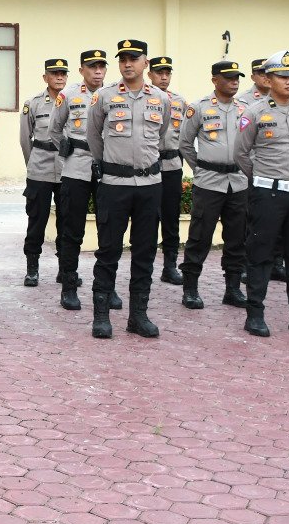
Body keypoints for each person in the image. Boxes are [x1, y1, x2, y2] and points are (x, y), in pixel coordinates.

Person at [234, 50, 289, 337]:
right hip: (267, 195)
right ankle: (255, 315)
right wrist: (263, 177)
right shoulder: (255, 112)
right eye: (282, 77)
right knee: (260, 255)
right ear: (269, 79)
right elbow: (241, 153)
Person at [85, 39, 169, 339]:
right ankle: (101, 315)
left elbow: (161, 134)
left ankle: (138, 316)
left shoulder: (161, 98)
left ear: (145, 62)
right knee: (108, 251)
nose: (127, 64)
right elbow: (94, 136)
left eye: (134, 58)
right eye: (123, 59)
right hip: (114, 185)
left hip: (149, 186)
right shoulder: (104, 97)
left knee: (145, 252)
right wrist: (109, 164)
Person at [175, 60, 249, 311]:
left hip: (238, 182)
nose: (234, 81)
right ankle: (191, 289)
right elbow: (185, 144)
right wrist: (201, 168)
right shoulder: (199, 108)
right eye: (228, 77)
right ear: (215, 80)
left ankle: (233, 289)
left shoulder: (247, 109)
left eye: (237, 77)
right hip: (209, 183)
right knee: (199, 236)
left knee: (237, 237)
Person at [53, 48, 112, 312]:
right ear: (81, 70)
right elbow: (55, 130)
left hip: (107, 169)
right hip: (76, 168)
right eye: (92, 67)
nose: (97, 71)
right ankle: (69, 286)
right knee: (72, 230)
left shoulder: (113, 95)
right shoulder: (68, 95)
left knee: (108, 230)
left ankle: (106, 288)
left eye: (101, 66)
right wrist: (68, 150)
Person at [19, 57, 69, 287]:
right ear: (45, 77)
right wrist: (33, 164)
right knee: (36, 220)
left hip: (67, 168)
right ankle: (32, 268)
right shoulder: (34, 103)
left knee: (67, 221)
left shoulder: (74, 101)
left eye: (63, 73)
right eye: (55, 73)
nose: (59, 77)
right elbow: (25, 139)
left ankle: (65, 269)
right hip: (39, 168)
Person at [147, 55, 190, 285]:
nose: (163, 77)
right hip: (149, 167)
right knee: (149, 218)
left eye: (167, 73)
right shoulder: (143, 98)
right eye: (159, 73)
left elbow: (185, 137)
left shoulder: (180, 102)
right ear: (150, 74)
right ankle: (146, 266)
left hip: (172, 165)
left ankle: (170, 266)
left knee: (171, 218)